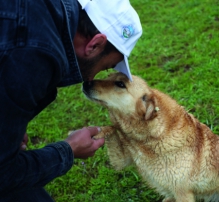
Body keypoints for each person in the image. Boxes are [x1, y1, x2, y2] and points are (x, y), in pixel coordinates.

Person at [0, 0, 142, 201]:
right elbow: (3, 174)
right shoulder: (33, 54)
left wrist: (9, 120)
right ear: (94, 44)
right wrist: (67, 150)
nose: (92, 79)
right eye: (104, 67)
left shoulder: (43, 15)